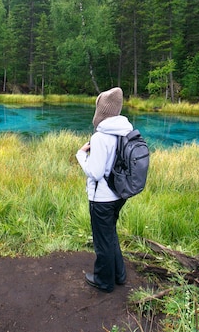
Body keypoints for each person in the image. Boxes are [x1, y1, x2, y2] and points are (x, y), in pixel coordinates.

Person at [75, 87, 133, 293]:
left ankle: (104, 281)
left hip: (102, 199)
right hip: (119, 195)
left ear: (101, 111)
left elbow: (96, 172)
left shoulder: (100, 137)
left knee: (102, 241)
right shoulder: (125, 133)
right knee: (110, 234)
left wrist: (81, 155)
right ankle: (119, 275)